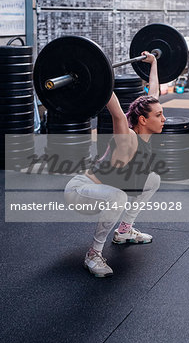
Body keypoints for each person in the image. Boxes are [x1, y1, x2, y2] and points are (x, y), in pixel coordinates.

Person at [64, 52, 166, 277]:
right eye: (159, 115)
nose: (164, 119)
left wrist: (154, 63)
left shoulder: (146, 133)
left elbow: (154, 92)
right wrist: (97, 73)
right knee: (118, 197)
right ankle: (93, 254)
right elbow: (118, 114)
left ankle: (124, 230)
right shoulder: (127, 138)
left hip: (101, 190)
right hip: (80, 191)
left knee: (153, 179)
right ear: (143, 120)